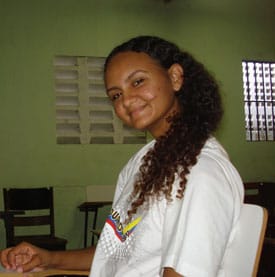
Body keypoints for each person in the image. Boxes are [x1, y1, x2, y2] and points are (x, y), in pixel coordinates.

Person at [0, 36, 244, 277]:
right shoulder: (143, 162)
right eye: (116, 95)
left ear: (175, 77)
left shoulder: (202, 172)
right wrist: (47, 258)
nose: (126, 100)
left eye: (138, 81)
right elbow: (116, 254)